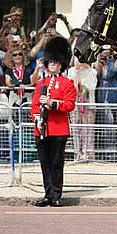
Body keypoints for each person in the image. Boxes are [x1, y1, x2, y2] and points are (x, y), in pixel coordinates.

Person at [30, 36, 77, 207]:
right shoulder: (41, 83)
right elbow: (34, 105)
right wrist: (37, 118)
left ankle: (56, 195)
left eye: (56, 63)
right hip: (41, 129)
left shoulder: (68, 83)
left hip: (58, 130)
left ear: (61, 64)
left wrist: (52, 104)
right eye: (50, 62)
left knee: (56, 164)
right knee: (45, 164)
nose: (53, 65)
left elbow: (70, 105)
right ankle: (48, 194)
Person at [67, 60, 98, 162]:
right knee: (75, 130)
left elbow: (91, 87)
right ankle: (77, 154)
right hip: (75, 105)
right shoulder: (71, 71)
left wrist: (83, 88)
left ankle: (88, 154)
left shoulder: (92, 71)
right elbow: (71, 86)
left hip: (89, 105)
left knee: (88, 129)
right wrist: (78, 73)